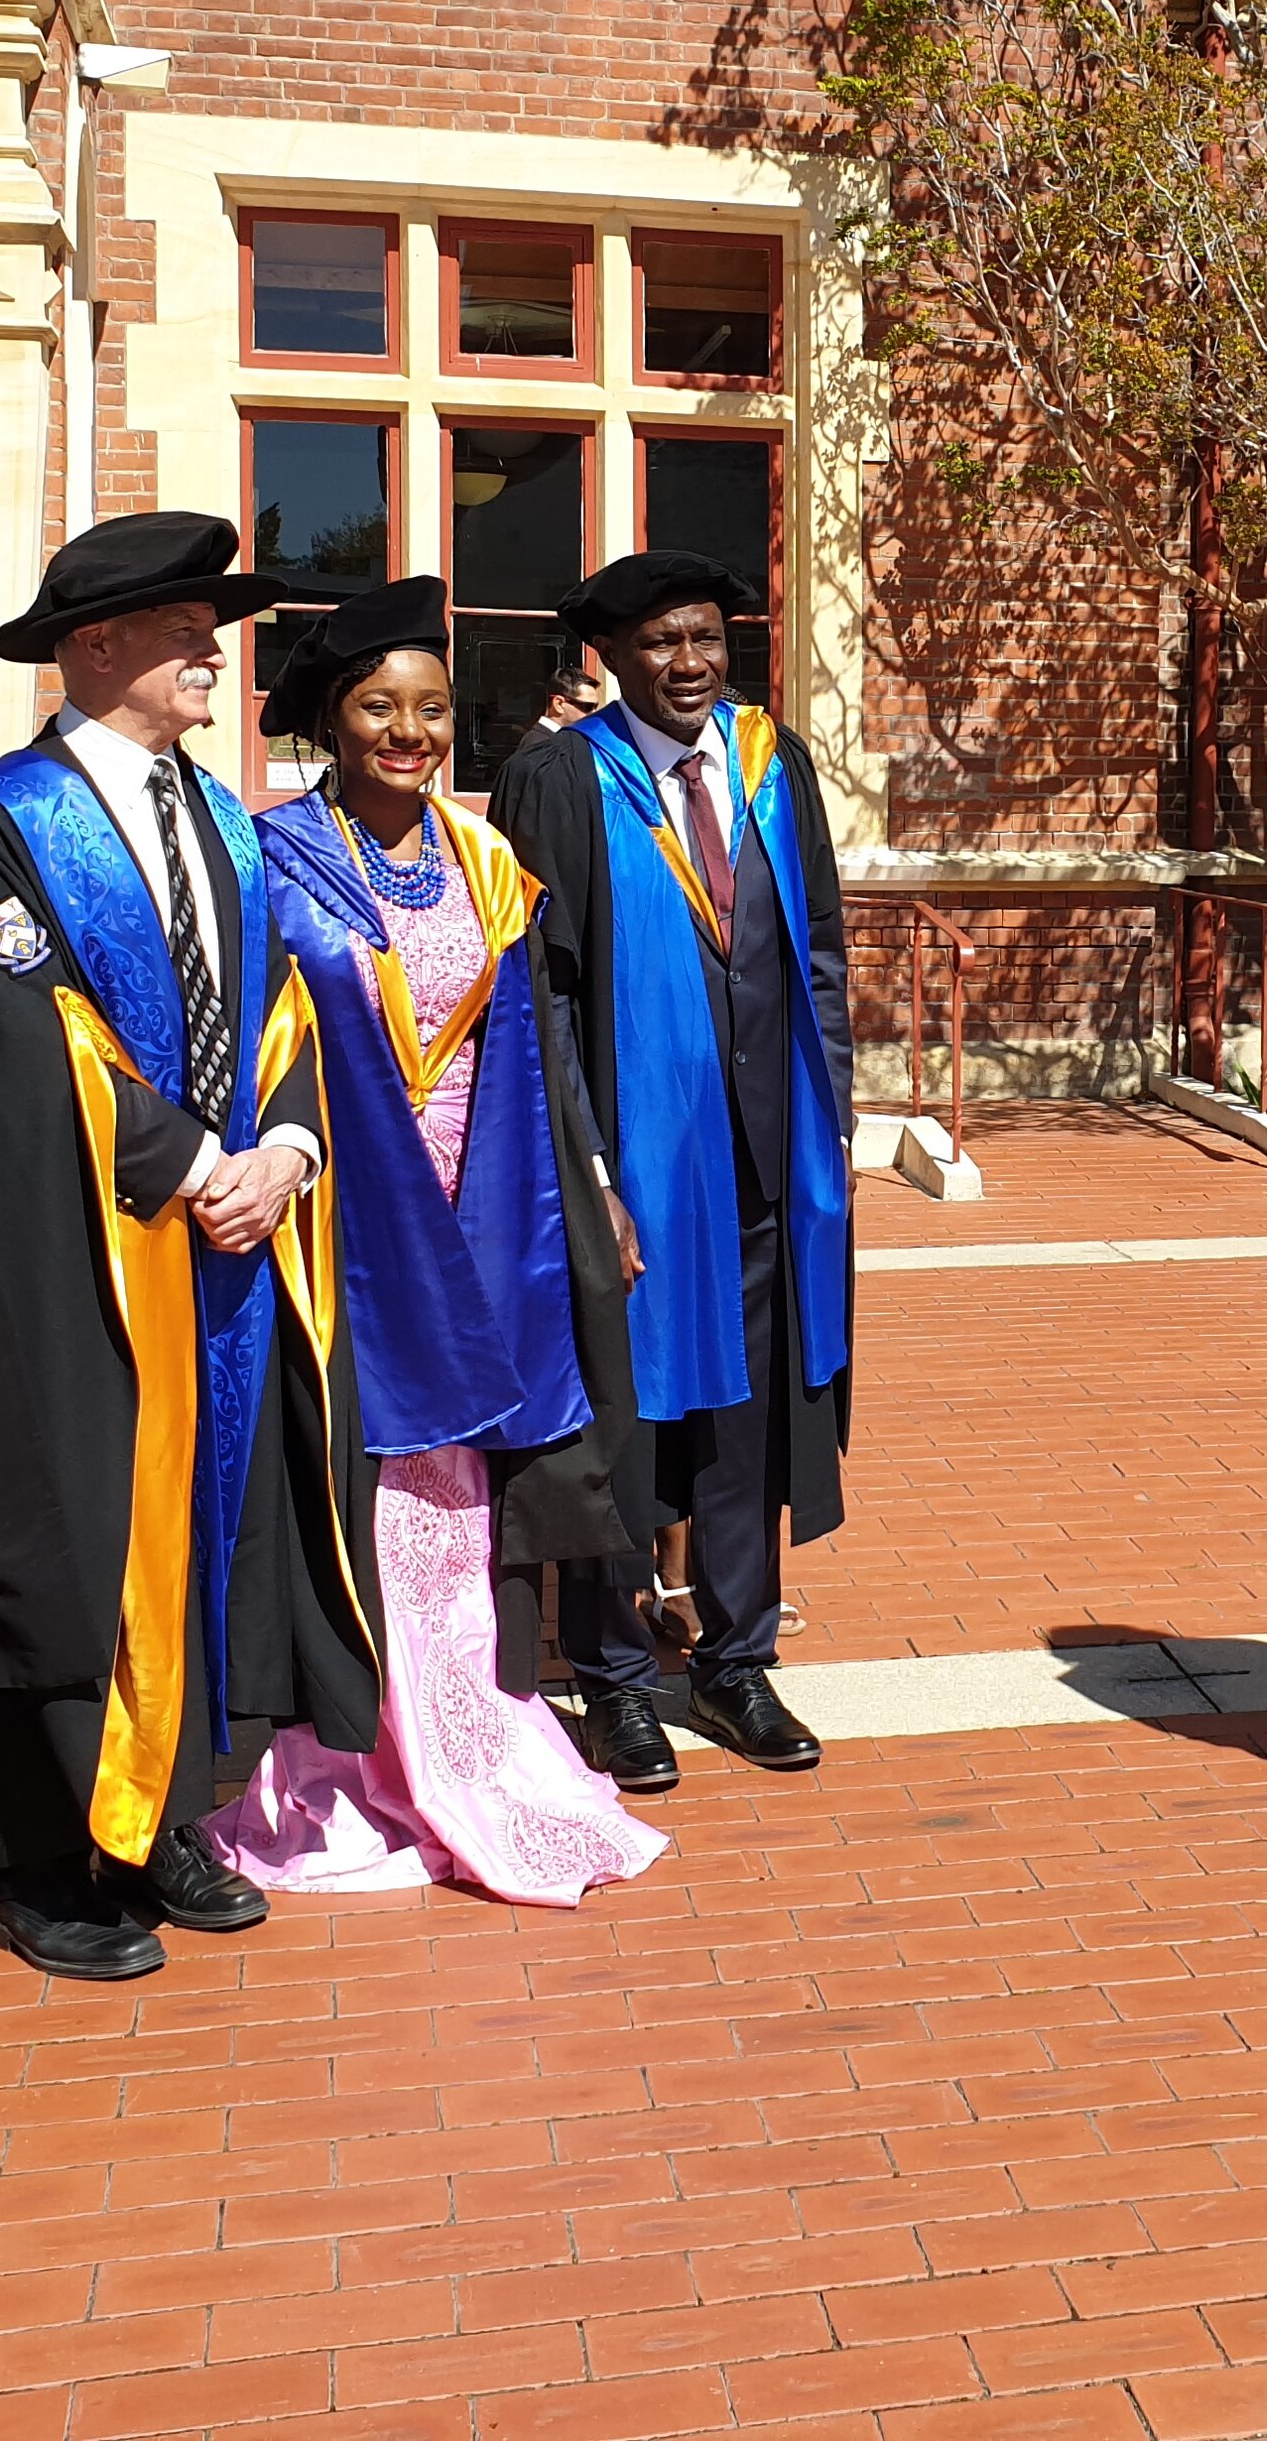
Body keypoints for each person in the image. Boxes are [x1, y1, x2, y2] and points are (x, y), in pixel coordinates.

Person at [0, 512, 360, 1983]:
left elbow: (286, 1004)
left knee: (205, 1539)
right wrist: (193, 1164)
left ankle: (160, 1817)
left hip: (223, 1251)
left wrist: (284, 1150)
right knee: (77, 1547)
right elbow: (21, 1049)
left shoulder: (222, 819)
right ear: (96, 647)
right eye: (183, 627)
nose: (213, 649)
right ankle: (46, 1862)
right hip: (76, 1256)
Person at [198, 577, 665, 1904]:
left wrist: (589, 1181)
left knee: (473, 1483)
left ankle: (472, 1721)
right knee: (365, 1482)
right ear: (331, 723)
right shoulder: (269, 857)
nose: (410, 732)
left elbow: (546, 1045)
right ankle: (359, 1751)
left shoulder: (484, 861)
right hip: (348, 1211)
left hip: (487, 1199)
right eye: (379, 707)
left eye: (432, 709)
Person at [489, 553, 854, 1795]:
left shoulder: (770, 762)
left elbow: (822, 956)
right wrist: (582, 1169)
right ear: (611, 657)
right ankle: (612, 1675)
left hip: (768, 1148)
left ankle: (738, 1658)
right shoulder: (558, 779)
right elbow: (540, 993)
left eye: (703, 637)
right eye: (658, 644)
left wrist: (833, 1115)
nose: (688, 663)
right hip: (633, 1164)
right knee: (625, 1414)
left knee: (750, 1416)